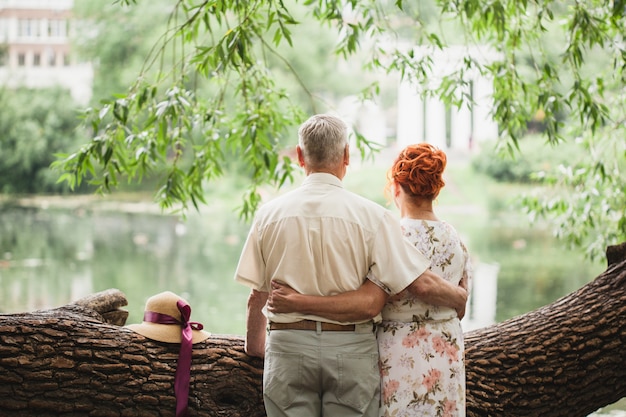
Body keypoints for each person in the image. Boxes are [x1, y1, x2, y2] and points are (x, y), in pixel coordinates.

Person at [233, 114, 467, 417]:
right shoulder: (373, 217)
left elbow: (257, 297)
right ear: (346, 155)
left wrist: (255, 350)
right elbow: (383, 298)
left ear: (300, 156)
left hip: (288, 346)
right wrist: (459, 297)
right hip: (351, 350)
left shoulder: (268, 215)